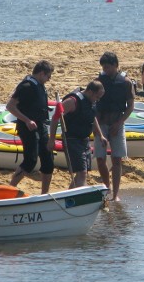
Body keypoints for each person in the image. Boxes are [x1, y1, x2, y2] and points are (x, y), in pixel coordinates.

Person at [6, 60, 55, 194]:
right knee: (30, 160)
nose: (49, 79)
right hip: (27, 127)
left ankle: (45, 194)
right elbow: (10, 106)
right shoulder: (26, 86)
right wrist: (27, 120)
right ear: (41, 73)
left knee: (48, 160)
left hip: (41, 126)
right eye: (48, 76)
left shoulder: (40, 85)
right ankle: (10, 188)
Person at [49, 80, 108, 189]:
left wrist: (100, 135)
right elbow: (55, 117)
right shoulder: (72, 101)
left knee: (82, 173)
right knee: (82, 173)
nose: (98, 99)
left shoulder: (90, 102)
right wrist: (52, 139)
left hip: (84, 140)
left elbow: (92, 117)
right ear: (90, 91)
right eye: (97, 97)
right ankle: (82, 197)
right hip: (72, 140)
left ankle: (70, 197)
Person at [95, 52, 135, 202]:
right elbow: (93, 105)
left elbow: (130, 107)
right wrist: (97, 128)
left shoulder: (125, 82)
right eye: (103, 67)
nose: (106, 70)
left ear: (115, 66)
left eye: (108, 67)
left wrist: (119, 123)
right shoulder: (98, 81)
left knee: (117, 159)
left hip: (117, 123)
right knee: (100, 158)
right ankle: (107, 187)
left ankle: (115, 194)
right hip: (101, 123)